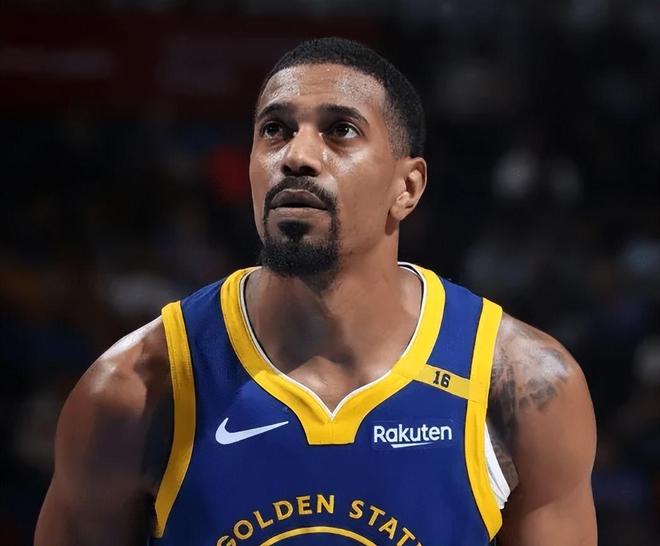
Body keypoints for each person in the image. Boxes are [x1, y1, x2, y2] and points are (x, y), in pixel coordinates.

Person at [35, 37, 597, 546]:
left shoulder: (521, 388)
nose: (297, 156)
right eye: (275, 130)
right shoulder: (135, 389)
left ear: (407, 187)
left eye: (340, 130)